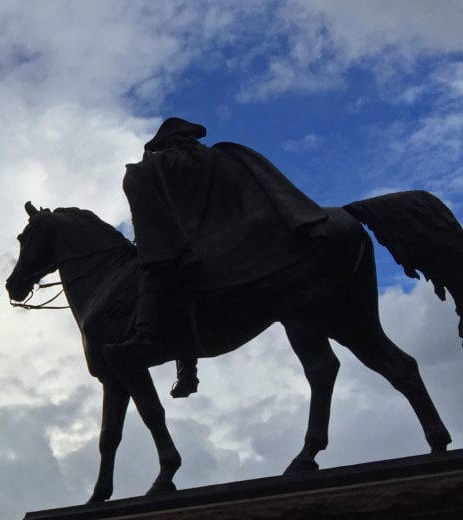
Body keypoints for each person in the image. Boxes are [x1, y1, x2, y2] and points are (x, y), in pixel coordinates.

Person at [111, 117, 329, 398]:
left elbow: (155, 215)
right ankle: (186, 373)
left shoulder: (159, 167)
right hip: (237, 237)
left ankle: (145, 336)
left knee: (155, 269)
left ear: (165, 144)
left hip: (195, 245)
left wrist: (149, 242)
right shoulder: (219, 157)